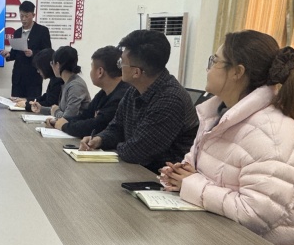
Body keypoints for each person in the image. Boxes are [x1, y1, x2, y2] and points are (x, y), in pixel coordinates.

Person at [159, 30, 294, 245]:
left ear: (237, 72)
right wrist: (178, 175)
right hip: (218, 240)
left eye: (215, 61)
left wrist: (190, 183)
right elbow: (197, 169)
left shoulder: (271, 134)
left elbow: (255, 214)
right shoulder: (220, 115)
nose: (208, 68)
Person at [80, 29, 198, 173]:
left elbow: (136, 152)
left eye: (121, 63)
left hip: (156, 178)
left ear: (136, 72)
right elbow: (116, 127)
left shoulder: (170, 100)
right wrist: (100, 139)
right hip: (135, 170)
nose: (119, 67)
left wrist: (116, 146)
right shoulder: (133, 90)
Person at [51, 45, 131, 137]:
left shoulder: (122, 96)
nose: (90, 72)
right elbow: (86, 115)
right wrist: (60, 122)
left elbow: (95, 126)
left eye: (92, 67)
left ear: (100, 72)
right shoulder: (104, 93)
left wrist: (64, 126)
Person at [0, 1, 52, 99]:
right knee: (15, 103)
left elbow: (48, 53)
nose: (23, 19)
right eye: (21, 16)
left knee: (31, 104)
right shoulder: (17, 32)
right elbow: (15, 53)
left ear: (33, 15)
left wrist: (33, 53)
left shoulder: (42, 31)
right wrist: (8, 54)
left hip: (33, 77)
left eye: (26, 16)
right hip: (18, 77)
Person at [37, 46, 90, 123]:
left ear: (57, 65)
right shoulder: (67, 82)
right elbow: (61, 110)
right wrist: (41, 109)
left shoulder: (75, 86)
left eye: (52, 63)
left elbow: (68, 118)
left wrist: (56, 111)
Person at [15, 48, 62, 113]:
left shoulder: (58, 80)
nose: (38, 71)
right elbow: (46, 97)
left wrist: (27, 105)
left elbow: (50, 103)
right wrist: (27, 100)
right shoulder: (54, 79)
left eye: (39, 68)